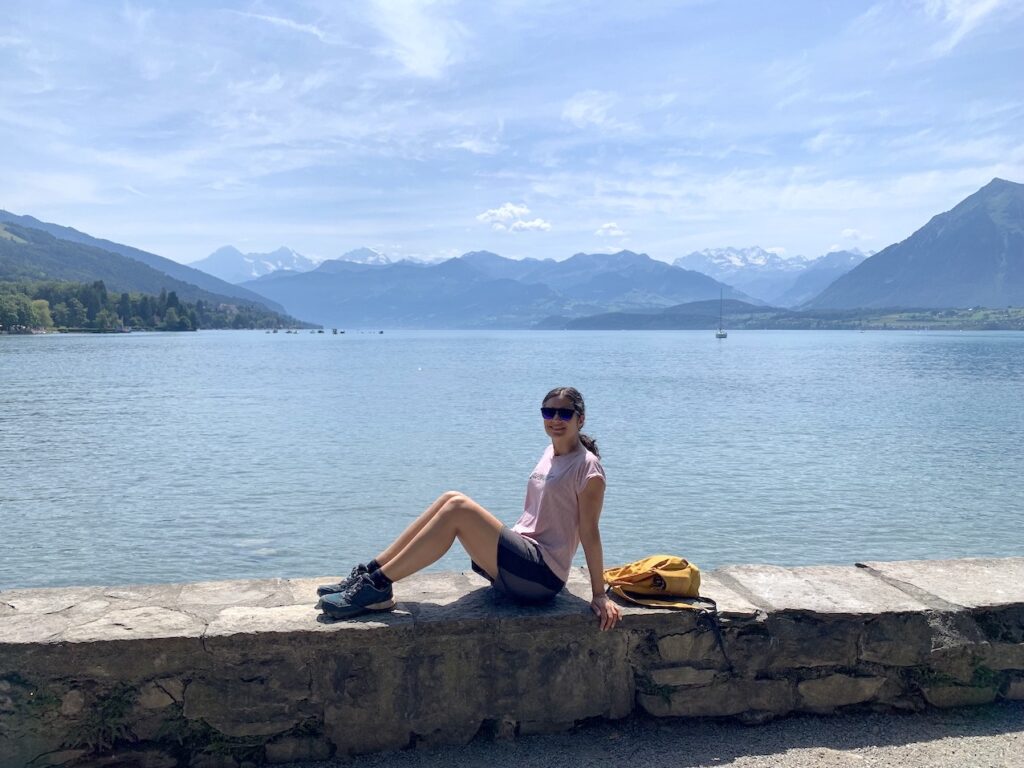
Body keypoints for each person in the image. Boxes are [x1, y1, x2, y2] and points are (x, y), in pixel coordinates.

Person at [317, 386, 622, 631]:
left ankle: (379, 589)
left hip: (541, 576)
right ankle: (369, 573)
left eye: (564, 413)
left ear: (580, 419)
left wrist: (598, 594)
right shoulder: (549, 453)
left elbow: (589, 533)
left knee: (459, 508)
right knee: (451, 497)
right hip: (521, 561)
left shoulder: (588, 469)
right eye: (548, 411)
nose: (555, 419)